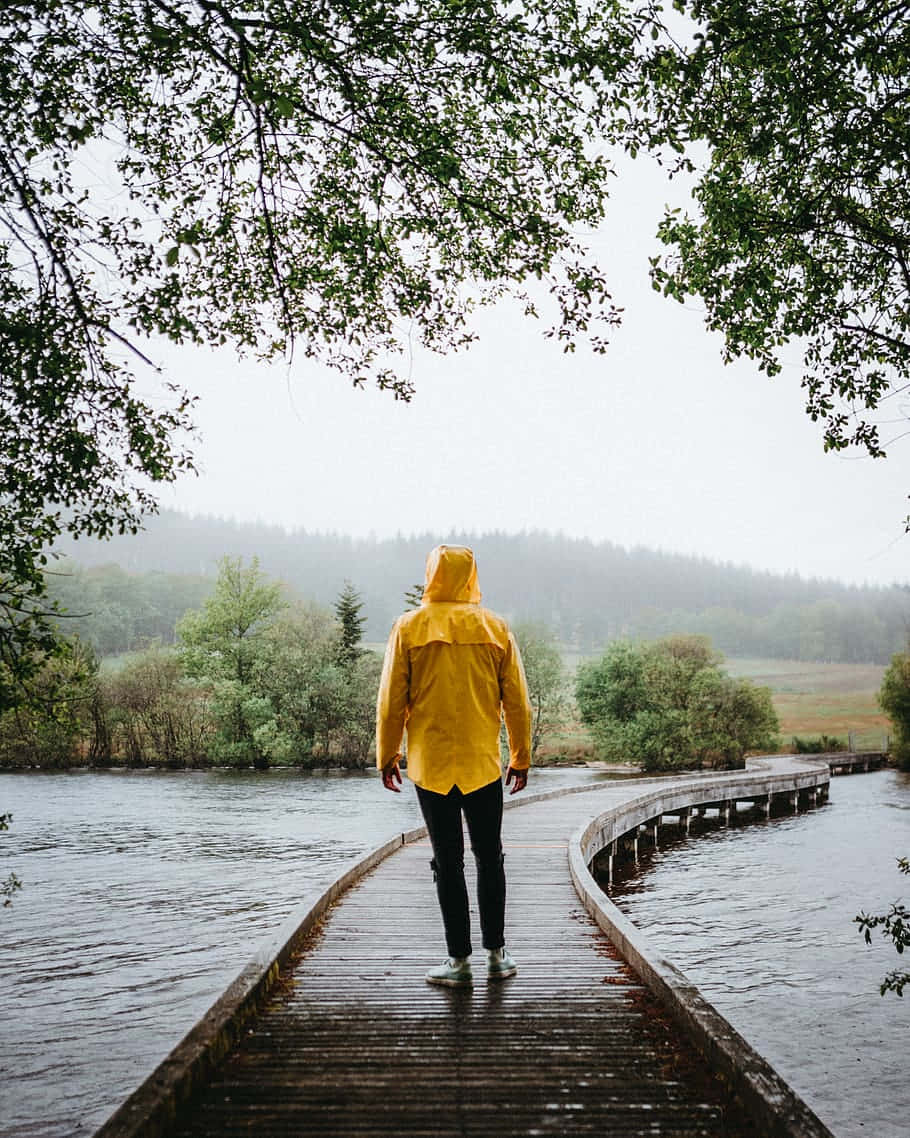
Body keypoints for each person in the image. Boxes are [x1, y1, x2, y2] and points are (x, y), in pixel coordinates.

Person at [376, 544, 532, 988]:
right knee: (489, 858)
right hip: (483, 763)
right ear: (470, 577)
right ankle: (497, 956)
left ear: (431, 575)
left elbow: (391, 702)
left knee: (447, 861)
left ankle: (458, 963)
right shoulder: (495, 628)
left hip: (431, 764)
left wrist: (387, 755)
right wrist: (520, 756)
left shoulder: (408, 627)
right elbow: (517, 702)